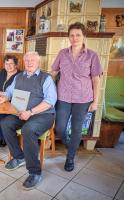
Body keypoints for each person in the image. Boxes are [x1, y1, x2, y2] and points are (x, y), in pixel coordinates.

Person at [0, 52, 57, 190]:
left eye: (32, 60)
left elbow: (50, 101)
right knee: (5, 123)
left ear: (38, 61)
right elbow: (9, 92)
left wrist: (31, 112)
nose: (29, 62)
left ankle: (35, 172)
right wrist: (3, 98)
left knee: (28, 129)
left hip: (42, 115)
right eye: (27, 60)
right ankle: (19, 157)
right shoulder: (19, 77)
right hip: (22, 113)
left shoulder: (46, 78)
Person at [51, 22, 102, 172]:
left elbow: (96, 80)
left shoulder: (92, 55)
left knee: (77, 129)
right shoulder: (62, 53)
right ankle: (69, 143)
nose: (74, 38)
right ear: (68, 37)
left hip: (83, 98)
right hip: (63, 97)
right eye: (72, 35)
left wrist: (95, 101)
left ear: (84, 36)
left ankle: (70, 157)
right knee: (60, 128)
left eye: (78, 35)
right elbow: (53, 72)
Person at [0, 55, 21, 147]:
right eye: (6, 63)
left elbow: (18, 93)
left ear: (16, 65)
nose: (8, 66)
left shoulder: (20, 75)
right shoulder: (3, 72)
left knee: (0, 117)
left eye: (11, 63)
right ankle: (4, 137)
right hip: (0, 101)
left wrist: (3, 94)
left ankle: (7, 138)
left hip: (13, 104)